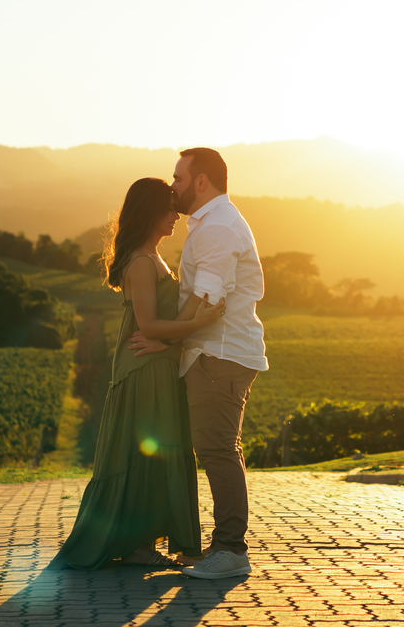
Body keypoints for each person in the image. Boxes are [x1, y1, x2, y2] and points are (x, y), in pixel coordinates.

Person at [50, 177, 226, 570]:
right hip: (143, 368)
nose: (175, 214)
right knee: (148, 453)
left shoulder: (153, 256)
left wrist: (188, 320)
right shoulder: (143, 262)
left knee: (155, 453)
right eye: (168, 208)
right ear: (149, 213)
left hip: (156, 364)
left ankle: (139, 546)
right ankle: (137, 546)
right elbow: (148, 327)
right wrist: (199, 323)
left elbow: (160, 325)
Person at [130, 147, 266, 580]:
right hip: (210, 352)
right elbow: (198, 302)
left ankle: (230, 550)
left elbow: (205, 301)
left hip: (219, 354)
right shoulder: (211, 224)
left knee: (218, 449)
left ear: (201, 181)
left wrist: (162, 338)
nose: (173, 186)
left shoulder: (218, 228)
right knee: (216, 447)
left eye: (179, 178)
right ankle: (223, 545)